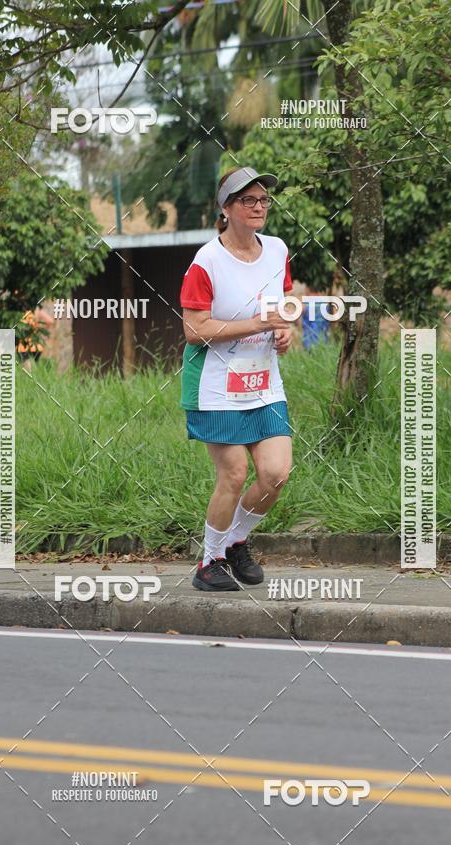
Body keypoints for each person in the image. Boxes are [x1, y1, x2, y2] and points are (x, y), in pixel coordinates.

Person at [179, 166, 294, 592]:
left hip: (264, 383)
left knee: (276, 474)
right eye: (248, 200)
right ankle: (208, 563)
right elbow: (194, 330)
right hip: (215, 384)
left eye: (264, 200)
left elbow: (281, 306)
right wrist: (255, 323)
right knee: (234, 473)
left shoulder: (278, 250)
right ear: (226, 208)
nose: (259, 207)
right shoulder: (206, 261)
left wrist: (282, 331)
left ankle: (236, 542)